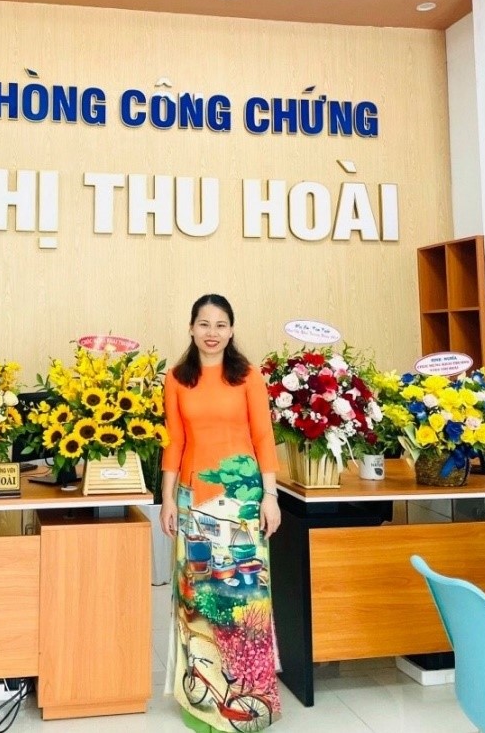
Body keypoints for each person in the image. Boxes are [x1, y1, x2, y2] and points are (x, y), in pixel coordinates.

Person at [160, 293, 282, 732]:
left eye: (220, 324)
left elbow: (263, 437)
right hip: (194, 499)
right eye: (204, 324)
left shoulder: (248, 376)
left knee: (245, 600)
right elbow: (174, 441)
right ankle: (203, 702)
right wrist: (167, 499)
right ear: (191, 328)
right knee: (197, 600)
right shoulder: (176, 379)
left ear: (231, 330)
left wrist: (270, 496)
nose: (212, 333)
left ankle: (251, 700)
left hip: (243, 501)